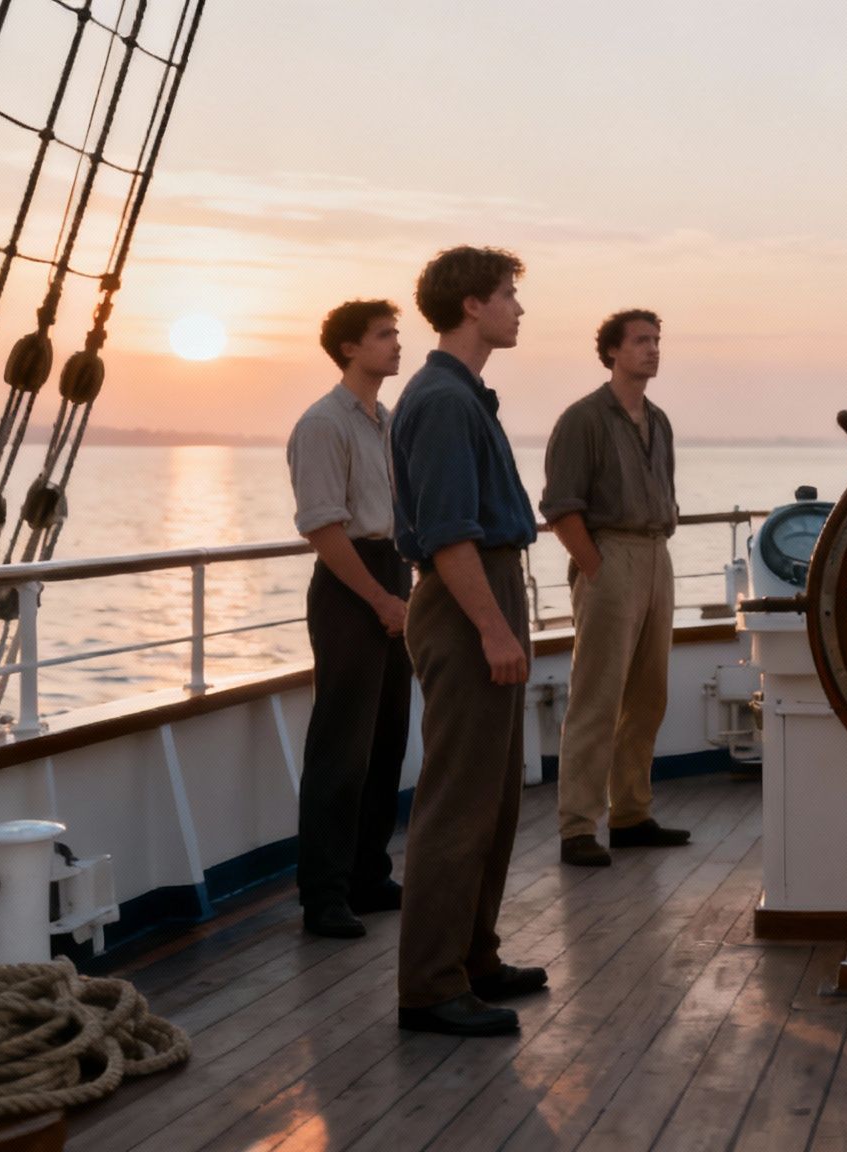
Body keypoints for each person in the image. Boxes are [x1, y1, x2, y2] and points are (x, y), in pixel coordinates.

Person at [390, 246, 546, 1036]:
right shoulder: (445, 403)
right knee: (458, 800)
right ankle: (429, 986)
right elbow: (448, 535)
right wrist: (492, 629)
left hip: (486, 588)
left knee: (494, 795)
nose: (519, 308)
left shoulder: (463, 396)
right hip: (466, 600)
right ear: (472, 305)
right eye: (508, 294)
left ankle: (474, 957)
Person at [540, 309, 689, 867]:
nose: (653, 349)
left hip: (655, 555)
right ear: (611, 352)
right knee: (597, 696)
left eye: (656, 340)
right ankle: (578, 826)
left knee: (649, 694)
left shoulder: (659, 420)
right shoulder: (583, 419)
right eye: (640, 341)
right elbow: (560, 506)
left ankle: (630, 814)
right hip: (611, 554)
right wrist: (595, 567)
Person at [286, 299, 412, 939]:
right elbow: (324, 529)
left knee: (387, 738)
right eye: (384, 335)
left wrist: (404, 590)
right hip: (350, 584)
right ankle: (325, 895)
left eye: (395, 333)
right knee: (341, 748)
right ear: (348, 349)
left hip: (393, 572)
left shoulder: (385, 422)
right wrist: (380, 600)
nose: (397, 343)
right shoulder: (322, 424)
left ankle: (368, 874)